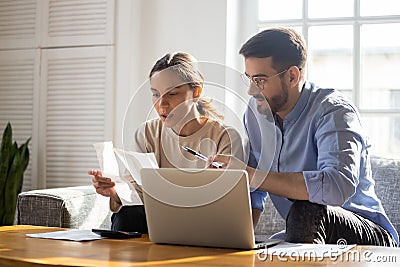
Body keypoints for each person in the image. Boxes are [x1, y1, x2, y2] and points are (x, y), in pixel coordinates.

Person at [213, 28, 398, 246]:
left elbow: (336, 187)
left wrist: (252, 175)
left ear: (292, 76)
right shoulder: (256, 115)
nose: (251, 91)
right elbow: (253, 192)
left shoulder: (334, 112)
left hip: (368, 235)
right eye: (249, 79)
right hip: (304, 233)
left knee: (307, 208)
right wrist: (239, 243)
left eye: (260, 80)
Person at [89, 52, 244, 233]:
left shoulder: (225, 137)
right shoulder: (146, 133)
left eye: (172, 94)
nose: (162, 105)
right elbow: (136, 196)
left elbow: (230, 206)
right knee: (128, 213)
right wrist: (115, 193)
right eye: (155, 94)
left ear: (196, 91)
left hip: (203, 223)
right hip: (156, 224)